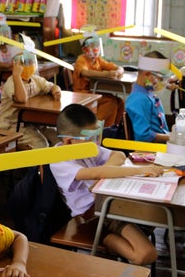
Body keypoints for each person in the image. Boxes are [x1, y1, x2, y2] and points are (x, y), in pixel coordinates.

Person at [49, 104, 163, 265]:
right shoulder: (58, 160)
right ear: (68, 141)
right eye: (91, 139)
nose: (96, 143)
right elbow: (97, 173)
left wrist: (103, 174)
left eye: (97, 136)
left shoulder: (86, 148)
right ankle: (103, 239)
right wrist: (139, 171)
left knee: (155, 213)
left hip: (109, 204)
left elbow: (119, 155)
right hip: (93, 215)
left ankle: (116, 240)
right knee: (145, 254)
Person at [0, 51, 62, 149]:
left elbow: (51, 86)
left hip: (33, 123)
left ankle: (55, 164)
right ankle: (42, 164)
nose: (29, 65)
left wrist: (56, 91)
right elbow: (22, 99)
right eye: (24, 63)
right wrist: (16, 76)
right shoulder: (12, 82)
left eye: (31, 62)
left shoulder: (35, 79)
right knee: (41, 144)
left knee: (59, 138)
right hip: (12, 126)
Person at [71, 31, 125, 126]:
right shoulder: (81, 59)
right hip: (82, 93)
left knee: (120, 102)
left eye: (96, 46)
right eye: (91, 46)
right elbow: (85, 73)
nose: (95, 49)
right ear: (84, 49)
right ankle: (94, 126)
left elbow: (115, 67)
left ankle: (114, 128)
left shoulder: (98, 60)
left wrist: (119, 71)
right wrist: (107, 74)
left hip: (94, 91)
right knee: (110, 101)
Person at [124, 52, 172, 143]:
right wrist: (171, 138)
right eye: (161, 79)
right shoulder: (138, 100)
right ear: (147, 74)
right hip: (148, 150)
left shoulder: (147, 94)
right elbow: (143, 135)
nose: (163, 83)